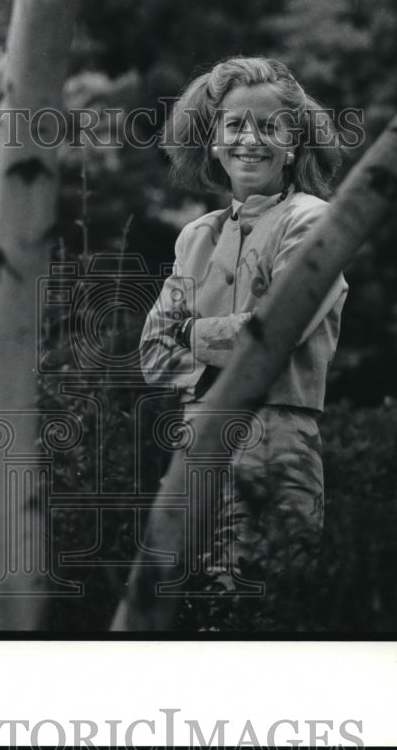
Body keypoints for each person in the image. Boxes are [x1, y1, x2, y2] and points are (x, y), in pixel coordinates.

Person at [140, 56, 348, 603]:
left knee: (272, 605)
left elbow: (276, 331)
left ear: (294, 143)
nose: (248, 139)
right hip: (196, 443)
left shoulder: (313, 220)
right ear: (212, 141)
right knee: (189, 604)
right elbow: (150, 354)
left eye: (269, 125)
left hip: (280, 438)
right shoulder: (195, 237)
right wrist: (218, 335)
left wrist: (190, 333)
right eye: (234, 124)